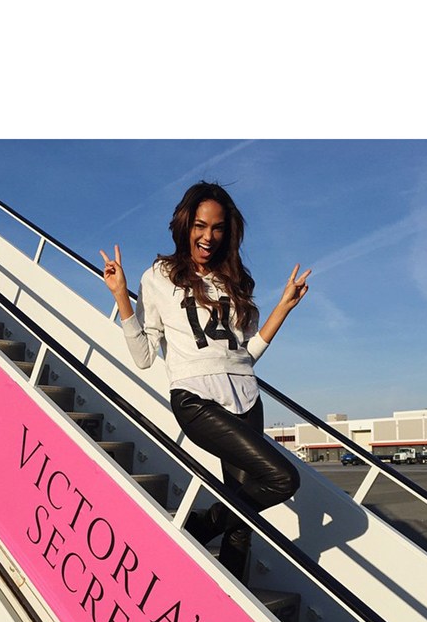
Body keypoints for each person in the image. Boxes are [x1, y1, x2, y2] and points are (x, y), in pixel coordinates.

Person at [100, 181, 310, 582]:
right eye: (200, 226)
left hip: (246, 398)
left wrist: (283, 307)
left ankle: (234, 602)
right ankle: (201, 524)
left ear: (227, 232)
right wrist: (121, 296)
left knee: (242, 527)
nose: (208, 237)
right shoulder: (158, 277)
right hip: (196, 399)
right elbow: (144, 357)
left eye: (217, 228)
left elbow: (244, 354)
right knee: (283, 478)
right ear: (185, 225)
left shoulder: (234, 281)